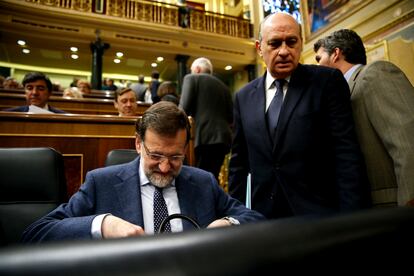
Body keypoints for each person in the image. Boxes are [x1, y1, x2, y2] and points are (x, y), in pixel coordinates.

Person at [21, 101, 264, 242]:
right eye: (156, 155)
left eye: (176, 157)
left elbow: (256, 220)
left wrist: (229, 223)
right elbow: (36, 233)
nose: (165, 167)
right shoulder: (100, 183)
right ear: (138, 144)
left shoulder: (203, 182)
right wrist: (102, 225)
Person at [228, 12, 370, 220]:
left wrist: (351, 218)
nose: (284, 51)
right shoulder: (243, 97)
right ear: (259, 48)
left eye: (291, 42)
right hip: (265, 220)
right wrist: (235, 218)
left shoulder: (326, 81)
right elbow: (239, 166)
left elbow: (346, 152)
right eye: (275, 44)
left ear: (301, 42)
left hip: (320, 215)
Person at [313, 29, 414, 207]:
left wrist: (409, 206)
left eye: (319, 59)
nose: (317, 66)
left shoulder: (375, 74)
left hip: (393, 209)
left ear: (336, 54)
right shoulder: (339, 95)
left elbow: (408, 143)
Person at [179, 57, 233, 181]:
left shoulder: (191, 78)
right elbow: (231, 117)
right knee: (212, 177)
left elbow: (183, 110)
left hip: (202, 137)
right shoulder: (224, 87)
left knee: (199, 179)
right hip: (223, 140)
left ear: (197, 69)